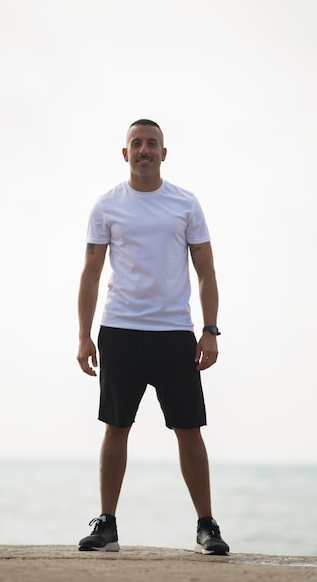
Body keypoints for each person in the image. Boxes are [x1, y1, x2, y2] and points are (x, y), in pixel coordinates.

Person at [76, 119, 229, 555]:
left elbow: (206, 272)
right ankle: (107, 525)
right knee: (116, 427)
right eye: (136, 144)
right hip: (120, 330)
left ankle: (206, 527)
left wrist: (210, 330)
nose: (144, 150)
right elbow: (90, 274)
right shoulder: (107, 205)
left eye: (152, 144)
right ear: (125, 153)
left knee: (189, 428)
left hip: (173, 334)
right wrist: (84, 336)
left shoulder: (185, 204)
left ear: (164, 153)